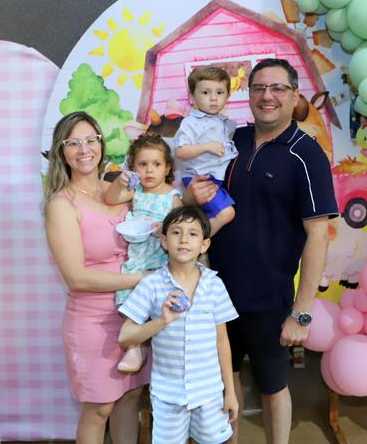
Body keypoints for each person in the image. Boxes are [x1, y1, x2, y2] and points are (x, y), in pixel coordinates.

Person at [185, 58, 338, 444]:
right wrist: (188, 197)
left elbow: (318, 236)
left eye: (278, 88)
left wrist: (301, 313)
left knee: (273, 386)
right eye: (259, 88)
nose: (267, 96)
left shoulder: (307, 155)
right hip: (215, 292)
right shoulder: (231, 141)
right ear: (249, 94)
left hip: (269, 300)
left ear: (294, 96)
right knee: (226, 382)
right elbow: (197, 194)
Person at [43, 111, 149, 444]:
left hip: (135, 316)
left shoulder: (120, 190)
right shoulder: (61, 205)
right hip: (94, 323)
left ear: (102, 144)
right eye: (73, 143)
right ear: (61, 152)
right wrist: (143, 280)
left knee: (130, 398)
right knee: (100, 409)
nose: (84, 149)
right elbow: (77, 278)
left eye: (91, 140)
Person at [118, 206, 239, 444]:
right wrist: (162, 321)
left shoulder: (215, 285)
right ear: (164, 241)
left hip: (209, 393)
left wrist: (230, 392)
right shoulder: (151, 284)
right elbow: (125, 336)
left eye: (193, 234)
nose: (184, 239)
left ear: (204, 244)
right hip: (167, 396)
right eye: (176, 232)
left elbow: (222, 341)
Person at [104, 132, 183, 373]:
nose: (149, 170)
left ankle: (154, 346)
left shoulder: (172, 196)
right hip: (137, 256)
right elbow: (110, 198)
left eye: (156, 164)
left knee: (156, 300)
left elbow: (181, 227)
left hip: (159, 257)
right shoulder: (136, 191)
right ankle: (136, 346)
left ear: (167, 168)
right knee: (131, 299)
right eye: (142, 164)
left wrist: (164, 229)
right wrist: (121, 183)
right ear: (133, 167)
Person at [174, 66, 238, 236]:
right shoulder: (191, 123)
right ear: (192, 96)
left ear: (228, 96)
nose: (213, 98)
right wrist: (206, 146)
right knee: (227, 213)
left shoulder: (223, 122)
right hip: (199, 178)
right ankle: (199, 240)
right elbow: (180, 151)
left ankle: (195, 234)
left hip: (214, 178)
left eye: (219, 92)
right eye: (205, 93)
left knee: (206, 214)